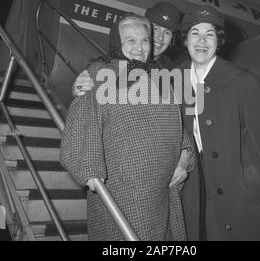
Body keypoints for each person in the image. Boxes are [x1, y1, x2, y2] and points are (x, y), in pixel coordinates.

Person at [60, 13, 194, 241]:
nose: (140, 47)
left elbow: (177, 123)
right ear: (116, 43)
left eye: (144, 40)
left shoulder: (161, 78)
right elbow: (85, 118)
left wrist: (184, 156)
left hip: (164, 192)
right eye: (130, 40)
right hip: (125, 191)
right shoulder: (100, 73)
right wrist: (89, 169)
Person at [180, 5, 260, 241]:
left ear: (219, 42)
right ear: (185, 40)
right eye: (195, 33)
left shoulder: (243, 83)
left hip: (242, 193)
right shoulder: (177, 79)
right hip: (195, 194)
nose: (202, 41)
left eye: (210, 34)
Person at [72, 2, 182, 96]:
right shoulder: (110, 63)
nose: (160, 37)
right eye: (156, 28)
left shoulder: (174, 73)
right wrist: (81, 88)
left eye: (167, 32)